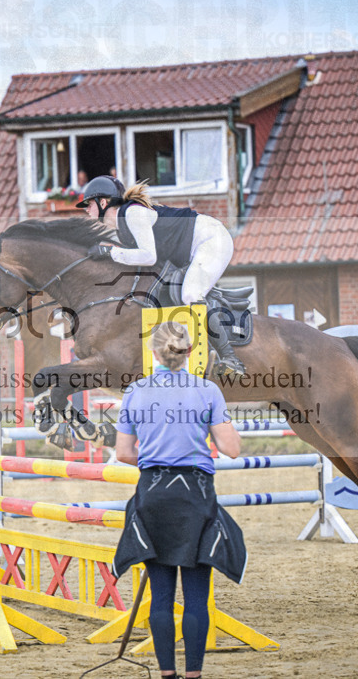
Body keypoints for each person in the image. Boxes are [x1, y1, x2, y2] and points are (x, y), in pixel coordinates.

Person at [112, 321, 245, 679]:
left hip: (153, 492)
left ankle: (167, 674)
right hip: (195, 495)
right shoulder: (207, 390)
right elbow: (232, 448)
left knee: (161, 596)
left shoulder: (135, 392)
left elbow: (124, 453)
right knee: (197, 597)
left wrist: (156, 449)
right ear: (190, 353)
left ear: (154, 353)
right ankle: (194, 675)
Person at [76, 175, 245, 376]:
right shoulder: (121, 227)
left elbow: (148, 256)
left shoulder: (132, 214)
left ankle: (230, 358)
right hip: (191, 250)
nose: (86, 210)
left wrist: (109, 252)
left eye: (89, 204)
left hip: (211, 239)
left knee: (190, 295)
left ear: (103, 202)